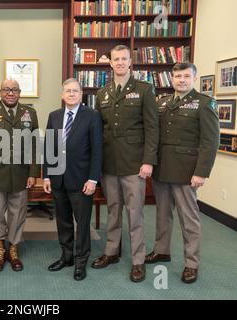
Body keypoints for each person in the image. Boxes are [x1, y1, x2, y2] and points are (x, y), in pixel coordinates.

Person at [145, 62, 220, 284]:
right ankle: (161, 250)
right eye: (177, 76)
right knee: (162, 215)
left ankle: (191, 263)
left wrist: (201, 173)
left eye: (186, 76)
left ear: (194, 78)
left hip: (187, 172)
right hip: (163, 169)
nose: (181, 80)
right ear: (172, 78)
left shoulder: (205, 104)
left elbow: (210, 142)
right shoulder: (163, 102)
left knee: (189, 219)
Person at [91, 45, 159, 282]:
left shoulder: (144, 89)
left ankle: (138, 260)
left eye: (123, 59)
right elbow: (99, 130)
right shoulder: (103, 93)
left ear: (130, 62)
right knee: (113, 210)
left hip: (134, 164)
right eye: (115, 59)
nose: (119, 62)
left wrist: (148, 161)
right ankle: (111, 251)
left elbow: (152, 128)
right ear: (110, 63)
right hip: (109, 164)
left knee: (135, 213)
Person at [0, 79, 40, 272]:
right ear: (0, 92)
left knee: (18, 213)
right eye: (6, 89)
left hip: (21, 175)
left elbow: (35, 145)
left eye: (14, 90)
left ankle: (13, 248)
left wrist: (33, 173)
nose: (10, 93)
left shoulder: (30, 113)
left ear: (20, 92)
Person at [43, 78, 102, 281]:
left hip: (82, 181)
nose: (71, 94)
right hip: (58, 180)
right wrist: (46, 175)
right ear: (62, 94)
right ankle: (66, 256)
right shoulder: (54, 116)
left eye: (75, 91)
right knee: (63, 221)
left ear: (81, 93)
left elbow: (97, 151)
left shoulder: (92, 116)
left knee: (82, 223)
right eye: (67, 91)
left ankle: (80, 261)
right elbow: (49, 148)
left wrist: (93, 179)